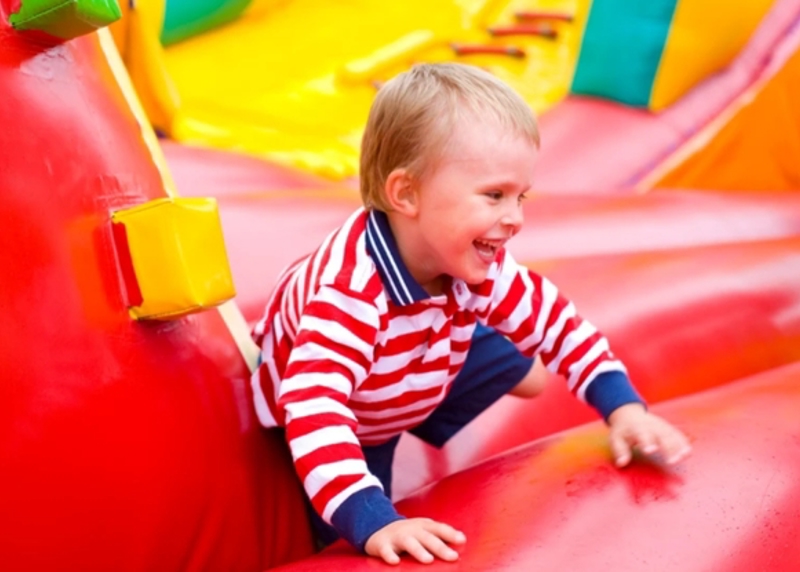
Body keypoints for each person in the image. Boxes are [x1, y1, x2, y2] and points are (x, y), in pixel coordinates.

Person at [251, 62, 691, 565]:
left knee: (533, 373)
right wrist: (375, 520)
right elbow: (315, 414)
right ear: (407, 193)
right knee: (343, 538)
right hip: (362, 406)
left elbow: (559, 324)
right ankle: (428, 386)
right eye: (495, 195)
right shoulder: (348, 298)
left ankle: (465, 362)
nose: (516, 219)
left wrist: (624, 408)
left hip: (425, 341)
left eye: (520, 196)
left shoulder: (473, 260)